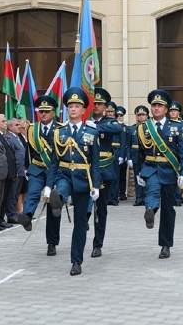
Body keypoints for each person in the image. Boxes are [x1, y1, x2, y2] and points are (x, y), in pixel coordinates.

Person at [136, 89, 183, 259]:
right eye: (154, 105)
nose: (156, 108)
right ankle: (150, 210)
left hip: (169, 171)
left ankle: (165, 245)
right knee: (152, 191)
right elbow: (139, 154)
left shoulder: (177, 127)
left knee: (168, 209)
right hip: (151, 169)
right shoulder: (144, 128)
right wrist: (139, 173)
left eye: (160, 106)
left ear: (166, 109)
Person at [53, 87, 101, 276]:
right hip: (64, 174)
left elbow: (95, 163)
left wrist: (96, 186)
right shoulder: (59, 132)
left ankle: (76, 261)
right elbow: (54, 162)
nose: (73, 109)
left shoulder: (91, 132)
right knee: (62, 189)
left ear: (83, 110)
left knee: (80, 223)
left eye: (76, 106)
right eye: (70, 106)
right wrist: (49, 186)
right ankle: (59, 199)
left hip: (83, 178)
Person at [16, 96, 61, 256]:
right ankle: (27, 217)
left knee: (53, 207)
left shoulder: (60, 129)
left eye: (46, 111)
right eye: (40, 111)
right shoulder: (32, 129)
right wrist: (28, 168)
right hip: (37, 169)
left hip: (54, 171)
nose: (43, 114)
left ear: (53, 112)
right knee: (33, 193)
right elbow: (29, 150)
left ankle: (52, 242)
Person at [89, 88, 123, 258]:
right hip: (85, 170)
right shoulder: (83, 121)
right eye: (94, 103)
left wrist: (94, 127)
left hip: (103, 170)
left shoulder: (109, 122)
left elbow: (117, 129)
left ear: (105, 106)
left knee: (100, 209)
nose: (96, 106)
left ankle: (98, 243)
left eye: (100, 104)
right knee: (84, 207)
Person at [4, 118, 26, 224]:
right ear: (10, 127)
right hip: (15, 170)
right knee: (12, 194)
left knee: (16, 194)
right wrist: (15, 170)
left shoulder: (17, 137)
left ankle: (15, 213)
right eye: (16, 125)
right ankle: (11, 215)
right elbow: (11, 156)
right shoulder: (9, 137)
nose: (19, 126)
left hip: (21, 170)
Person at [128, 105, 148, 206]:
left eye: (143, 115)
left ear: (147, 116)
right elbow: (127, 144)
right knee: (138, 177)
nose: (141, 117)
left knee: (147, 177)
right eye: (139, 115)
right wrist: (129, 158)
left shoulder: (150, 128)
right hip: (136, 156)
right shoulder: (132, 129)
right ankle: (139, 198)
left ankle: (146, 198)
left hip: (147, 157)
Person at [115, 106, 129, 201]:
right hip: (114, 153)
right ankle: (114, 194)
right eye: (118, 115)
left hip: (122, 153)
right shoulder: (112, 125)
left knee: (122, 175)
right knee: (115, 176)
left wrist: (125, 155)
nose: (119, 117)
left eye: (121, 115)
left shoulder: (125, 128)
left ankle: (122, 193)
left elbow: (126, 143)